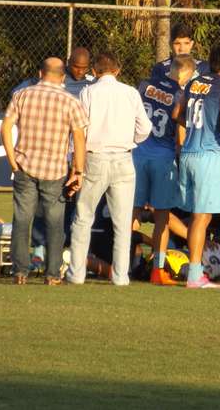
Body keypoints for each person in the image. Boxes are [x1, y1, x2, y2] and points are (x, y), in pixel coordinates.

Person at [67, 52, 152, 286]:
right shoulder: (130, 93)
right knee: (123, 223)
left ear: (94, 71)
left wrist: (77, 164)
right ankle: (121, 276)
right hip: (124, 158)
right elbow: (145, 127)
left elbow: (80, 130)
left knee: (83, 217)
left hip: (94, 157)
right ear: (118, 70)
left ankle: (76, 274)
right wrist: (129, 139)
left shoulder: (88, 92)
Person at [2, 57, 87, 286]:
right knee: (55, 224)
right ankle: (52, 274)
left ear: (40, 73)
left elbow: (6, 126)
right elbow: (79, 137)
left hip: (24, 166)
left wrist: (12, 160)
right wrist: (78, 170)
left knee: (22, 220)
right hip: (55, 170)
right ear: (62, 77)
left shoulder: (22, 95)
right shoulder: (70, 101)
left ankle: (20, 272)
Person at [179, 40, 220, 289]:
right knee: (201, 217)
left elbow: (178, 114)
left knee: (195, 216)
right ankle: (195, 275)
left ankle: (192, 269)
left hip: (188, 153)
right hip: (208, 155)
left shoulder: (195, 83)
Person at [133, 54, 195, 286]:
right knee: (162, 217)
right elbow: (181, 126)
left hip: (137, 154)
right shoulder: (181, 94)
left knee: (132, 212)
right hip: (164, 157)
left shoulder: (143, 85)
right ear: (184, 74)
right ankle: (158, 270)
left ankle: (124, 263)